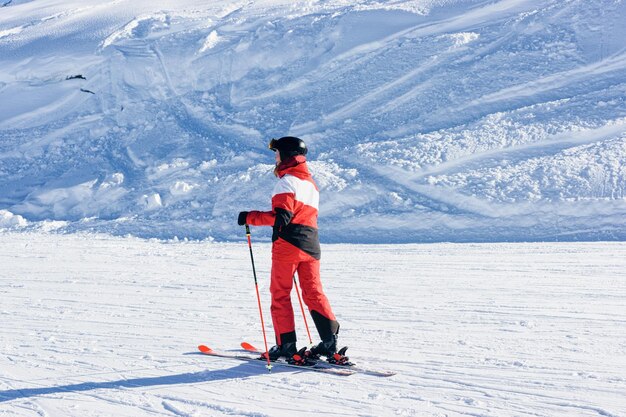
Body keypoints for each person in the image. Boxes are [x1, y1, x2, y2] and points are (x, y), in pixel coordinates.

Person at [238, 136, 343, 364]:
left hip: (289, 245)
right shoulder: (311, 185)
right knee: (314, 293)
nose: (275, 158)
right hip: (312, 246)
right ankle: (329, 343)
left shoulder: (286, 182)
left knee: (280, 294)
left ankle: (286, 346)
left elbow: (281, 217)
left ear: (286, 156)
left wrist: (249, 217)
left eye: (276, 154)